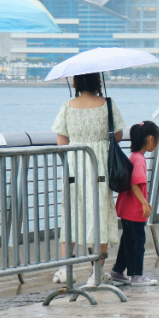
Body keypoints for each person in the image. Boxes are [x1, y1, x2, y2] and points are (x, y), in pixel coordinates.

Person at [51, 72, 126, 285]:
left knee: (72, 214)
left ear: (76, 83)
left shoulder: (68, 106)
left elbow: (61, 141)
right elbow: (118, 135)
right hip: (100, 166)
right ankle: (97, 272)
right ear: (97, 81)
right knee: (99, 216)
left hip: (75, 167)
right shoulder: (107, 105)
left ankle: (66, 269)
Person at [109, 121, 159, 287]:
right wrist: (145, 203)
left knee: (128, 241)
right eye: (157, 141)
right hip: (134, 210)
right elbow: (134, 184)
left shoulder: (133, 156)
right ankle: (136, 275)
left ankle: (117, 271)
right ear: (151, 139)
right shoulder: (139, 160)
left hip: (127, 209)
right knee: (137, 244)